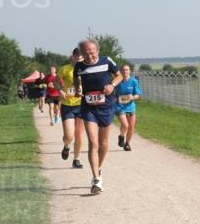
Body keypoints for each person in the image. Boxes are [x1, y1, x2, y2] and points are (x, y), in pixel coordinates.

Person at [74, 39, 122, 195]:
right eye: (85, 52)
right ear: (81, 53)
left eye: (92, 51)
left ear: (97, 50)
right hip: (88, 107)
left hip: (106, 105)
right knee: (93, 142)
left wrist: (112, 85)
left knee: (103, 142)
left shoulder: (106, 61)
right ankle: (96, 179)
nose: (89, 54)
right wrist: (77, 89)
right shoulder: (79, 66)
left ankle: (98, 168)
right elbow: (76, 79)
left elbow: (119, 76)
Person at [55, 49, 86, 169]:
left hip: (81, 105)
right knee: (69, 135)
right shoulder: (65, 69)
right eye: (76, 56)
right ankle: (67, 146)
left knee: (78, 134)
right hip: (68, 104)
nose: (79, 58)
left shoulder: (86, 69)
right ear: (72, 57)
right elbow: (56, 81)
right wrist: (60, 90)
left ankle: (76, 159)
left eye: (81, 57)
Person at [114, 64, 141, 151]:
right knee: (125, 125)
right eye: (123, 70)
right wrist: (114, 98)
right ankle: (121, 136)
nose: (125, 72)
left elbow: (138, 95)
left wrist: (132, 97)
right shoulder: (117, 81)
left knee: (131, 127)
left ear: (129, 71)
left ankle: (127, 143)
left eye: (127, 70)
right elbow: (111, 92)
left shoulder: (134, 81)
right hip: (119, 106)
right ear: (121, 71)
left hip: (130, 107)